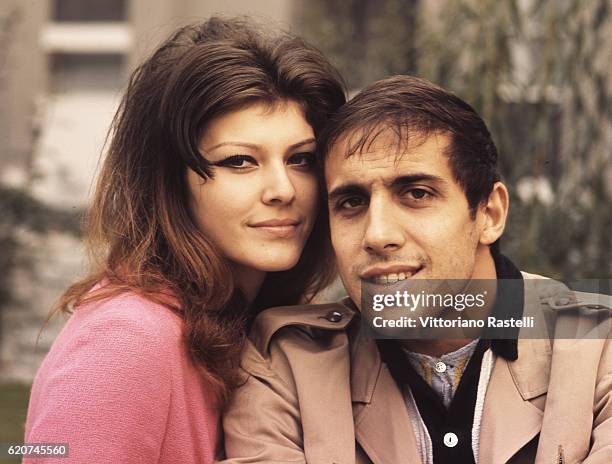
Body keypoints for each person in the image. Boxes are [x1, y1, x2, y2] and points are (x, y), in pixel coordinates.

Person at [221, 76, 612, 463]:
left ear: (490, 214)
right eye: (351, 202)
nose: (377, 234)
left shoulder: (597, 345)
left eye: (416, 193)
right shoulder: (288, 360)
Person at [24, 17, 345, 464]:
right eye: (239, 161)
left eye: (302, 159)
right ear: (169, 182)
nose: (283, 189)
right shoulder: (126, 340)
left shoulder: (260, 322)